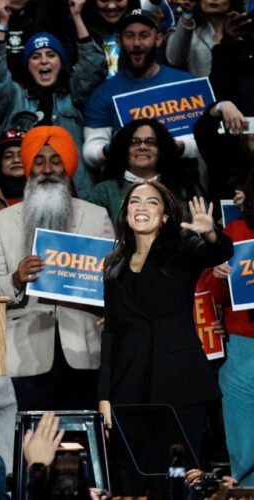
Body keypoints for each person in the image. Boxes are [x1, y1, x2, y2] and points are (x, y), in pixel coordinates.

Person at [99, 182, 232, 495]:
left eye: (151, 201)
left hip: (178, 381)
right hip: (129, 385)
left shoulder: (183, 248)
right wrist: (104, 396)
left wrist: (210, 232)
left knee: (180, 475)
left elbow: (219, 251)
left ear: (166, 216)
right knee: (134, 475)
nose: (141, 207)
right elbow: (111, 332)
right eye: (134, 201)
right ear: (126, 213)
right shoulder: (113, 263)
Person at [0, 126, 113, 412]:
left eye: (56, 161)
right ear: (28, 168)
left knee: (81, 435)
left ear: (68, 168)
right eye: (39, 161)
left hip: (83, 349)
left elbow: (114, 281)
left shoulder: (97, 216)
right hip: (24, 353)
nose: (48, 170)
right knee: (29, 437)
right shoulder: (1, 222)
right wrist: (16, 279)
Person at [0, 0, 107, 198]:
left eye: (51, 55)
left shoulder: (75, 94)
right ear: (27, 65)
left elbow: (94, 66)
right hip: (23, 198)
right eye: (35, 56)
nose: (44, 61)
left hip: (75, 195)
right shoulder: (13, 97)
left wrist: (77, 17)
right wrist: (2, 23)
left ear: (61, 62)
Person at [83, 9, 200, 171]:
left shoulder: (186, 83)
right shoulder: (103, 94)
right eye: (129, 36)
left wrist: (180, 145)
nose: (137, 43)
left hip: (181, 177)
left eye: (144, 35)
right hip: (128, 182)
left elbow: (209, 140)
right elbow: (90, 153)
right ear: (119, 40)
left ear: (158, 39)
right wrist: (113, 147)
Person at [196, 171, 254, 486]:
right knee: (244, 443)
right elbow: (212, 295)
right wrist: (219, 275)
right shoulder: (235, 231)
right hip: (243, 345)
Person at [88, 118, 202, 222]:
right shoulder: (104, 192)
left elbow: (205, 228)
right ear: (123, 149)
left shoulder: (185, 188)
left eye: (150, 142)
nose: (142, 147)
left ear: (161, 149)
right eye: (135, 142)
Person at [165, 0, 243, 77]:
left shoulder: (243, 28)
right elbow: (174, 60)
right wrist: (187, 15)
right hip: (200, 84)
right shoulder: (186, 29)